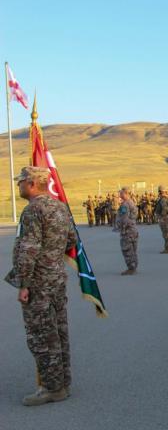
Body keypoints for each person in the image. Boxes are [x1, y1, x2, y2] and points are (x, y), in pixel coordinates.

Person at [6, 166, 77, 406]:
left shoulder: (33, 210)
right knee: (58, 331)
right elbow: (72, 240)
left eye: (21, 182)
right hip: (56, 279)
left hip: (38, 282)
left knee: (41, 336)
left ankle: (52, 388)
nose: (19, 186)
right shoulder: (60, 207)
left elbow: (29, 248)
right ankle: (63, 382)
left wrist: (24, 284)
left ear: (32, 183)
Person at [114, 186, 139, 275]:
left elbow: (124, 219)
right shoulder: (132, 202)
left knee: (127, 249)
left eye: (121, 193)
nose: (120, 194)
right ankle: (134, 267)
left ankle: (131, 268)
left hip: (127, 230)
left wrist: (122, 228)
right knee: (133, 249)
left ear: (125, 193)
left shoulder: (125, 204)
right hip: (133, 229)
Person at [154, 185, 168, 253]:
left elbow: (164, 209)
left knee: (166, 233)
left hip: (164, 218)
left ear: (160, 191)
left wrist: (161, 217)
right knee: (167, 233)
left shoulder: (163, 199)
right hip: (167, 217)